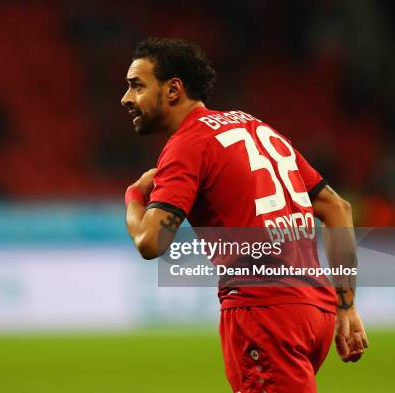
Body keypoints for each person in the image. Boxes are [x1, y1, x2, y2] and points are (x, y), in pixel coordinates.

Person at [121, 38, 368, 392]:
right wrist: (346, 306)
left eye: (137, 85)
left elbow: (149, 241)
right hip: (316, 313)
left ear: (173, 89)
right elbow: (337, 208)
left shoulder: (188, 144)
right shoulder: (254, 126)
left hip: (265, 313)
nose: (126, 98)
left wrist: (133, 196)